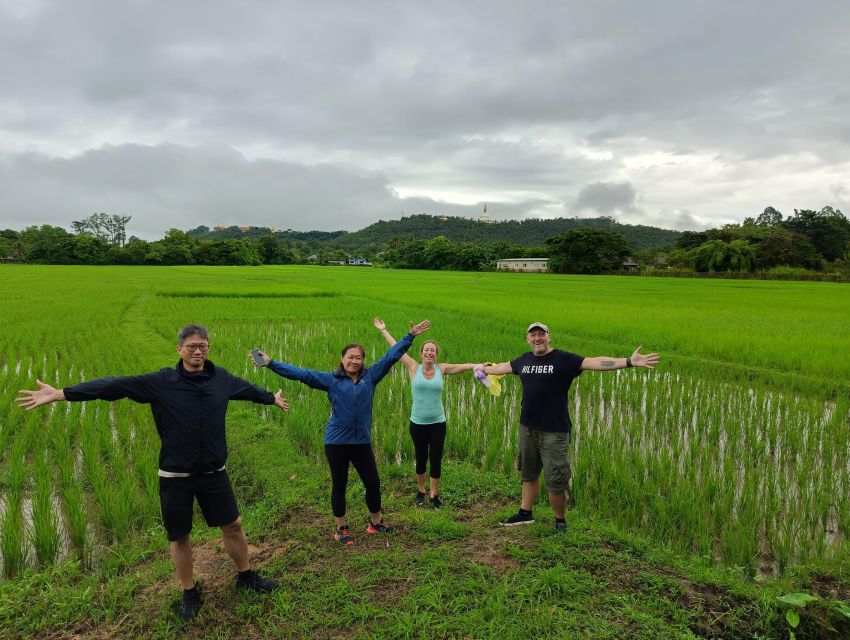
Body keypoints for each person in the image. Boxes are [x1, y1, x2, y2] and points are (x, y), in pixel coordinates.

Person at [16, 324, 290, 622]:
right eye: (191, 347)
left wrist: (270, 398)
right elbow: (114, 386)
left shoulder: (220, 378)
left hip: (214, 472)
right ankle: (189, 591)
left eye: (202, 346)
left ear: (208, 348)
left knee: (234, 525)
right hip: (175, 476)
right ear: (180, 349)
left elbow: (246, 389)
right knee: (179, 536)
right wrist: (61, 393)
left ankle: (246, 576)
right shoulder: (161, 381)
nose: (198, 351)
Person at [254, 320, 430, 545]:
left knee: (373, 483)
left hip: (361, 442)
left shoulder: (371, 376)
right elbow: (300, 373)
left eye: (358, 358)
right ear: (342, 359)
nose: (354, 361)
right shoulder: (331, 380)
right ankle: (341, 528)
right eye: (350, 357)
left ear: (363, 360)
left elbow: (391, 356)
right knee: (340, 485)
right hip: (337, 442)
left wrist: (410, 335)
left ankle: (375, 523)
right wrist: (269, 363)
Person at [474, 322, 659, 533]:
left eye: (541, 334)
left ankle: (560, 521)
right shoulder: (523, 360)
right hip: (527, 428)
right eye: (533, 335)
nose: (537, 338)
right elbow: (502, 367)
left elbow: (595, 362)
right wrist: (482, 368)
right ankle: (525, 513)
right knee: (529, 473)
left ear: (548, 337)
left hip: (554, 431)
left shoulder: (563, 359)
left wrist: (628, 362)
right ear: (528, 339)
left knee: (556, 479)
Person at [373, 317, 478, 509]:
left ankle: (434, 494)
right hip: (418, 422)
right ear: (421, 353)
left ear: (436, 355)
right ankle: (421, 490)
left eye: (433, 350)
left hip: (438, 422)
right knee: (421, 457)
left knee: (436, 458)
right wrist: (383, 330)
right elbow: (397, 348)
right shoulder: (413, 367)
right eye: (426, 350)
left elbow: (463, 366)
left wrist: (479, 366)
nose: (430, 352)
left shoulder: (442, 369)